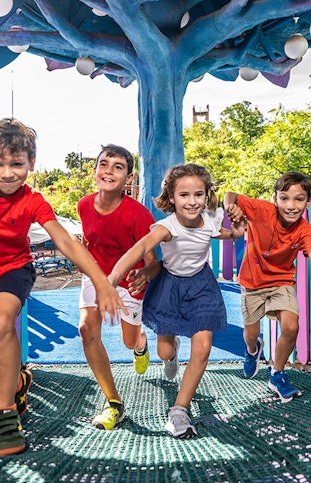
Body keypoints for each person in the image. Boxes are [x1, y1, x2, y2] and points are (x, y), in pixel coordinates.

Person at [0, 119, 125, 458]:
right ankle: (18, 382)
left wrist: (101, 281)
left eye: (17, 164)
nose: (7, 173)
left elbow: (64, 239)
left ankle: (5, 417)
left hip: (14, 271)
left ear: (31, 164)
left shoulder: (32, 200)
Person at [108, 163, 243, 439]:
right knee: (165, 353)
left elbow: (220, 233)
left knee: (203, 346)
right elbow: (140, 248)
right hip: (170, 286)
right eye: (184, 195)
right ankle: (173, 348)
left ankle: (179, 410)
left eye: (198, 194)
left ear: (206, 195)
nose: (192, 201)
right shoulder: (165, 227)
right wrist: (110, 281)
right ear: (171, 197)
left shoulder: (210, 218)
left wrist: (236, 233)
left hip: (201, 285)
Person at [223, 171, 311, 403]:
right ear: (275, 199)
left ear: (308, 201)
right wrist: (230, 207)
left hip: (281, 282)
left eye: (298, 199)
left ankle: (277, 373)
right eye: (284, 198)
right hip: (252, 283)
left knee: (291, 327)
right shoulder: (262, 210)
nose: (291, 205)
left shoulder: (305, 230)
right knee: (251, 334)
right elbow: (230, 195)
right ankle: (252, 351)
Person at [77, 144, 161, 431]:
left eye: (118, 167)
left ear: (129, 177)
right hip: (96, 275)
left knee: (128, 341)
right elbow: (90, 242)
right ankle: (114, 402)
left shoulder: (139, 215)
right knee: (87, 328)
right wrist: (84, 260)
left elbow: (154, 263)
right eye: (104, 164)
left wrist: (146, 273)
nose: (109, 171)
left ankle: (141, 344)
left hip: (129, 284)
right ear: (95, 170)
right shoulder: (84, 205)